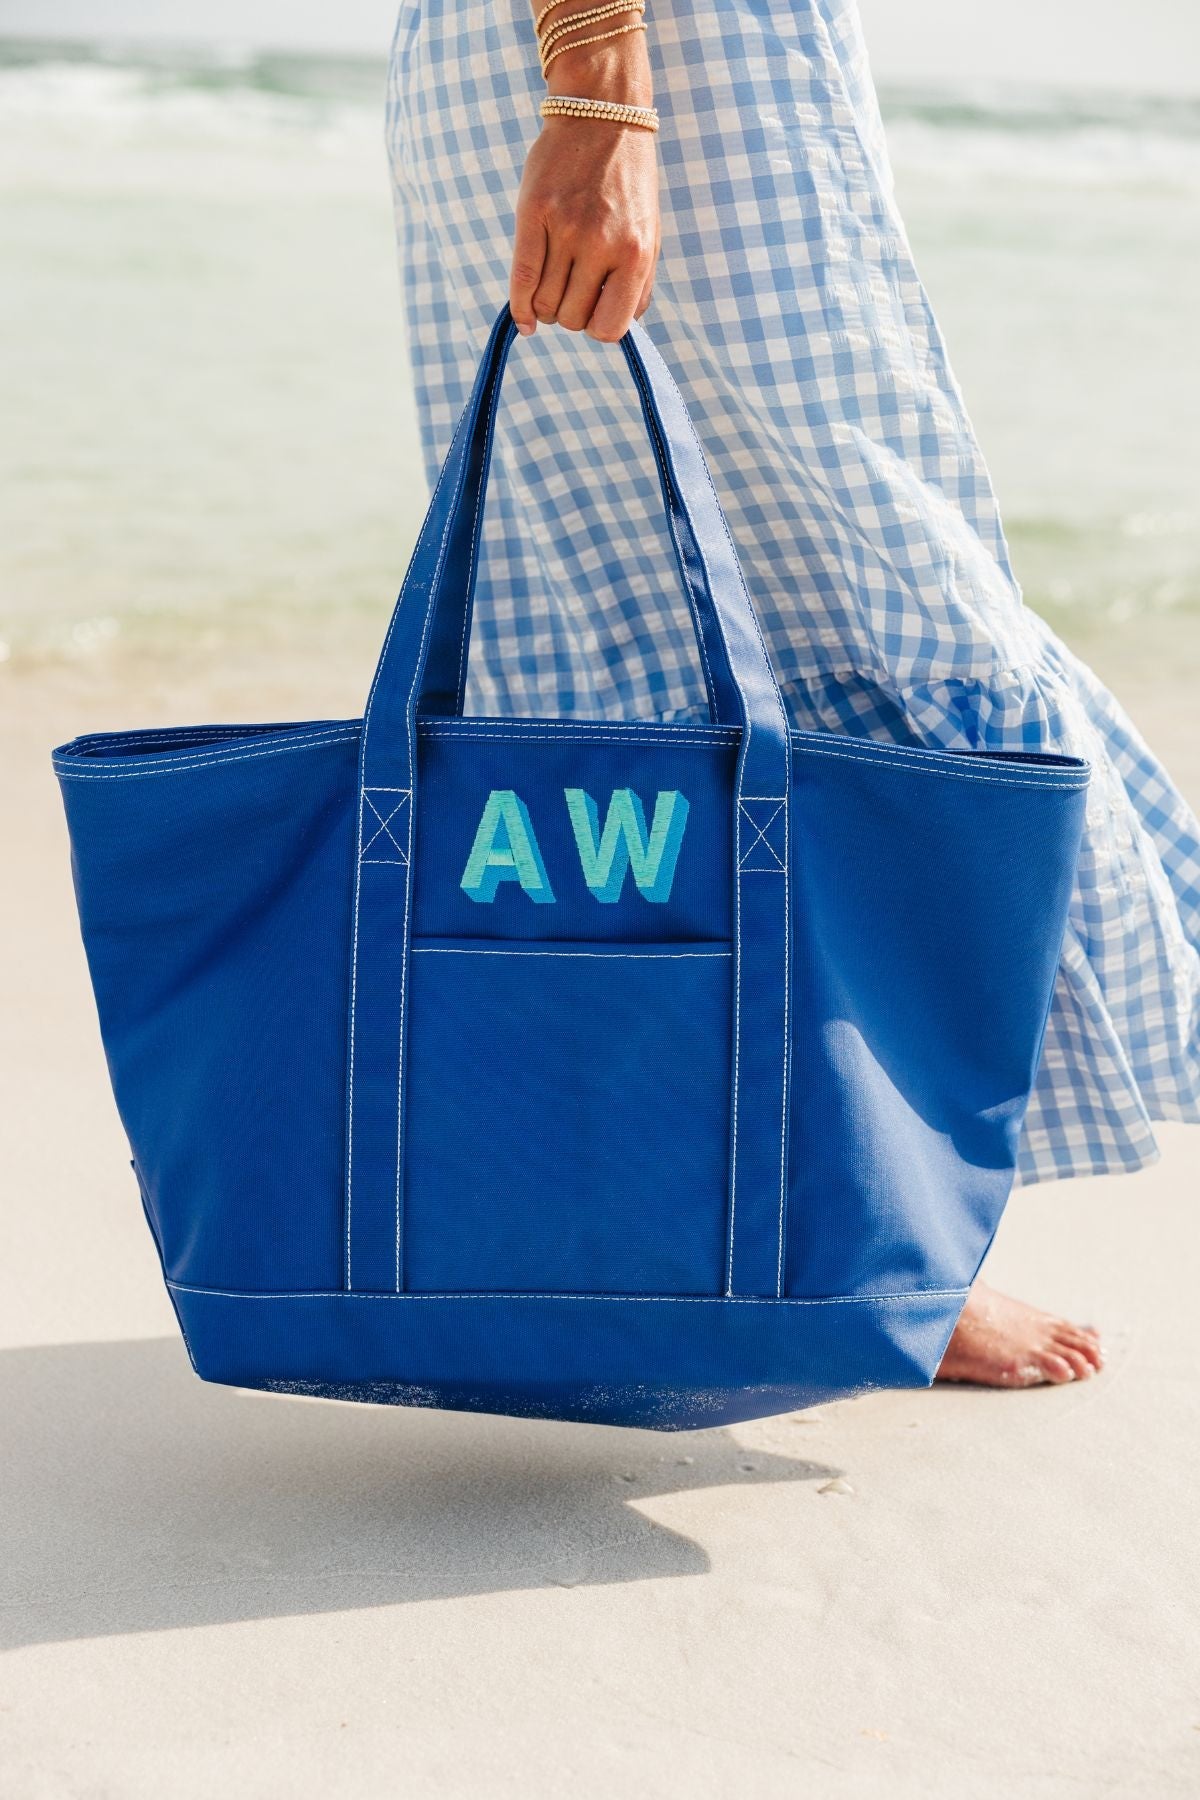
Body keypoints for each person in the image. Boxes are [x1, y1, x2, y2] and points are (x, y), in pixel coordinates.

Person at [385, 0, 1199, 1386]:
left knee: (657, 642)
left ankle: (792, 1230)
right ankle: (861, 1241)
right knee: (841, 603)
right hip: (665, 65)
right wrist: (599, 84)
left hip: (576, 60)